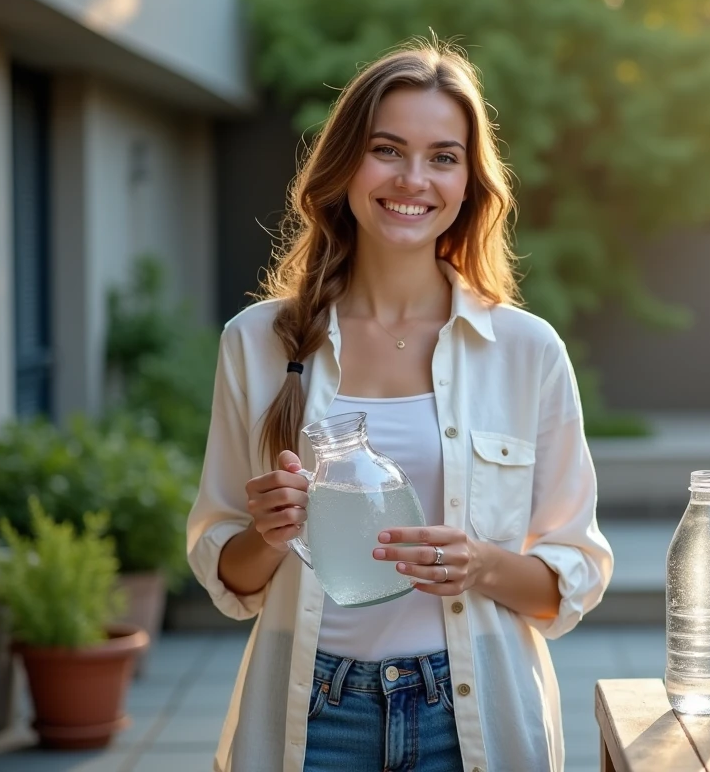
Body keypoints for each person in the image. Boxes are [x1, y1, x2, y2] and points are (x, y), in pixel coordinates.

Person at [187, 38, 614, 772]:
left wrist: (478, 565)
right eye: (388, 149)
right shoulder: (256, 342)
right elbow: (232, 576)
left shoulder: (525, 350)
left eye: (443, 156)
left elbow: (568, 580)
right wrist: (268, 532)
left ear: (469, 182)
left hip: (472, 718)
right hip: (311, 717)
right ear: (347, 164)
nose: (413, 178)